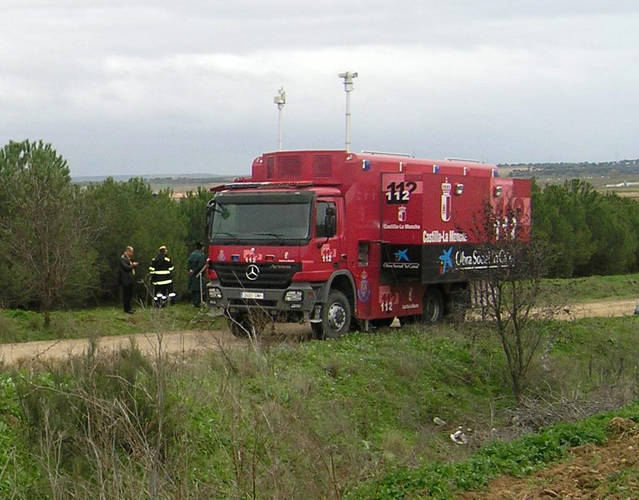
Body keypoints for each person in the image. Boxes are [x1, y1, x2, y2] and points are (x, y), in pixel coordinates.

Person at [119, 245, 139, 314]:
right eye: (131, 252)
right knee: (126, 295)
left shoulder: (128, 259)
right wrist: (133, 265)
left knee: (130, 295)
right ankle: (126, 309)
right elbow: (126, 268)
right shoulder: (122, 259)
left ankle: (129, 308)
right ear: (127, 251)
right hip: (125, 280)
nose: (132, 254)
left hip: (130, 280)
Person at [188, 242, 207, 307]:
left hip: (192, 274)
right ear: (201, 248)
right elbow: (201, 265)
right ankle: (197, 302)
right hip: (199, 274)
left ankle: (194, 302)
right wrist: (195, 271)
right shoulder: (201, 255)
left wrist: (190, 270)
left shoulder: (192, 254)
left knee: (193, 289)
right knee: (199, 289)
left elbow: (188, 263)